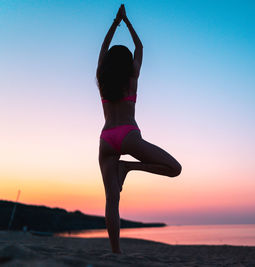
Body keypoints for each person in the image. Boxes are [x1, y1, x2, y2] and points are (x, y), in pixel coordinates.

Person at [97, 4, 182, 253]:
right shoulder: (131, 78)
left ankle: (116, 253)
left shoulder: (102, 79)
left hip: (106, 138)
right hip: (128, 135)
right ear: (127, 64)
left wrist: (115, 22)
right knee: (174, 168)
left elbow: (103, 49)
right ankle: (129, 167)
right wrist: (128, 22)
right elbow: (140, 48)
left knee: (112, 200)